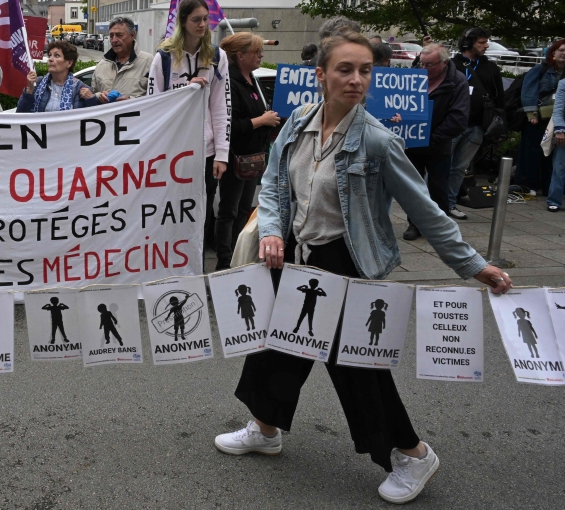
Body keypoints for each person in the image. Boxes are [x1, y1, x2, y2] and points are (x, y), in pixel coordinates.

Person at [215, 29, 513, 505]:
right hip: (294, 253)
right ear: (321, 75)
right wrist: (272, 230)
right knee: (277, 345)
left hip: (345, 260)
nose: (356, 80)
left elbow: (426, 211)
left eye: (365, 71)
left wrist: (474, 265)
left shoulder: (378, 141)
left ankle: (412, 454)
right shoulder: (297, 123)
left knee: (356, 364)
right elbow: (272, 184)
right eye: (345, 69)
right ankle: (265, 428)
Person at [146, 0, 231, 257]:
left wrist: (222, 154)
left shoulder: (217, 56)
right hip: (173, 152)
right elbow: (153, 106)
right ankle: (169, 257)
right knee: (171, 208)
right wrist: (188, 89)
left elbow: (221, 107)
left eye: (206, 19)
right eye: (196, 19)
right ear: (183, 22)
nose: (203, 24)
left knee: (203, 209)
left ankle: (195, 259)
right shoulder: (164, 57)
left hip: (204, 153)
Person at [218, 32, 279, 269]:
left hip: (253, 158)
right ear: (240, 55)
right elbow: (230, 125)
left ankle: (239, 256)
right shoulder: (229, 82)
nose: (261, 55)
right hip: (234, 158)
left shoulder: (252, 79)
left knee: (245, 209)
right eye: (256, 52)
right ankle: (224, 262)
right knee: (228, 211)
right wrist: (261, 120)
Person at [402, 44, 469, 240]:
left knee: (438, 187)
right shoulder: (413, 76)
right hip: (412, 142)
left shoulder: (457, 82)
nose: (424, 68)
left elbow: (458, 118)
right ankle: (414, 224)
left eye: (429, 65)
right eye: (422, 63)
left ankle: (438, 226)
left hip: (438, 143)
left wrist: (432, 138)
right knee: (413, 187)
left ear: (444, 63)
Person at [447, 27, 504, 219]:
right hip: (451, 125)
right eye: (481, 42)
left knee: (459, 168)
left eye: (486, 41)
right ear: (467, 43)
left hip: (477, 127)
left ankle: (449, 203)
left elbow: (499, 97)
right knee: (441, 165)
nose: (486, 45)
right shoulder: (452, 65)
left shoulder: (490, 67)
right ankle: (431, 204)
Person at [517, 39, 565, 196]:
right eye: (561, 50)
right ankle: (528, 184)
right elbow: (528, 91)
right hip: (539, 117)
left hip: (557, 120)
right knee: (532, 151)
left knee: (552, 154)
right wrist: (531, 113)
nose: (563, 53)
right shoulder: (541, 69)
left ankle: (547, 186)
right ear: (553, 52)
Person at [17, 40, 98, 112]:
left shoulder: (80, 88)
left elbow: (94, 118)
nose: (50, 59)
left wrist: (91, 99)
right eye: (50, 55)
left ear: (69, 63)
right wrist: (29, 91)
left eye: (56, 55)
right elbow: (20, 114)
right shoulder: (37, 84)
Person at [90, 17, 153, 100]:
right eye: (111, 36)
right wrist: (99, 97)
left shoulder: (149, 62)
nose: (114, 40)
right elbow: (92, 96)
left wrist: (130, 101)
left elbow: (158, 99)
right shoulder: (101, 65)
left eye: (119, 35)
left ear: (132, 35)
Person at [544, 50, 565, 211]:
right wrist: (559, 129)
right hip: (563, 130)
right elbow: (558, 109)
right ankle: (554, 200)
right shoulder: (563, 84)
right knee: (560, 167)